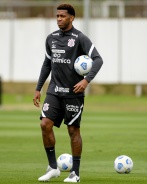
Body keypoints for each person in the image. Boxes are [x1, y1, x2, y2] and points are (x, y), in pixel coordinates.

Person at [33, 4, 103, 183]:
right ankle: (52, 167)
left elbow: (98, 59)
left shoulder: (80, 38)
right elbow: (47, 64)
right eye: (57, 16)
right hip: (54, 91)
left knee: (73, 130)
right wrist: (38, 88)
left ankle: (76, 173)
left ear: (71, 18)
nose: (59, 19)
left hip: (73, 93)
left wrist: (86, 80)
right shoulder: (51, 38)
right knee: (45, 124)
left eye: (62, 16)